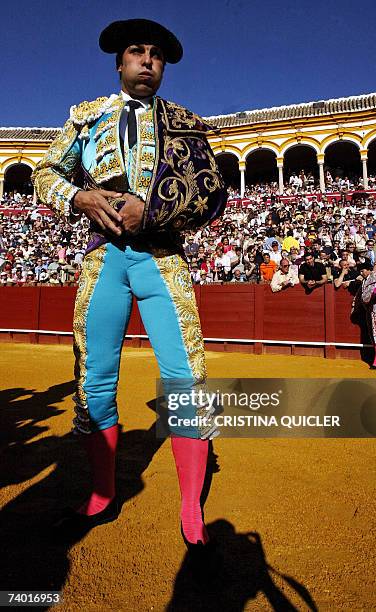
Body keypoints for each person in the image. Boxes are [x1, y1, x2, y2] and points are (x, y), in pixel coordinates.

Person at [32, 18, 227, 550]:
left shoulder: (186, 123)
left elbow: (212, 195)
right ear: (120, 63)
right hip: (103, 260)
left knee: (185, 380)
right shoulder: (85, 116)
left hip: (162, 258)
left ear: (163, 67)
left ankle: (191, 508)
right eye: (136, 52)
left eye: (156, 55)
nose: (146, 61)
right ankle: (102, 492)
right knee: (95, 378)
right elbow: (44, 172)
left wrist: (155, 211)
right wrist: (79, 197)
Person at [352, 261, 376, 369]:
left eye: (362, 270)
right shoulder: (367, 279)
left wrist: (365, 301)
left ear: (368, 269)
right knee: (372, 333)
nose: (361, 273)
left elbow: (375, 294)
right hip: (370, 308)